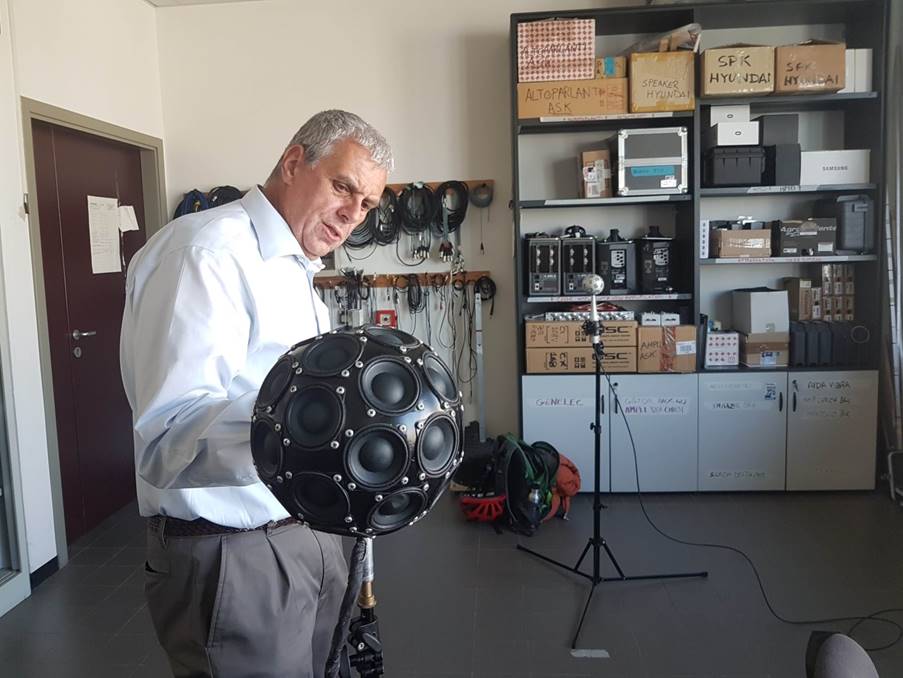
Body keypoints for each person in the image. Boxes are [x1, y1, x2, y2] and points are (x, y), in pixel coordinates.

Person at [120, 110, 392, 677]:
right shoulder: (205, 254)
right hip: (230, 554)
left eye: (366, 204)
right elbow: (167, 440)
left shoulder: (297, 271)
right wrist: (323, 431)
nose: (351, 216)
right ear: (295, 162)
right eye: (343, 187)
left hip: (306, 535)